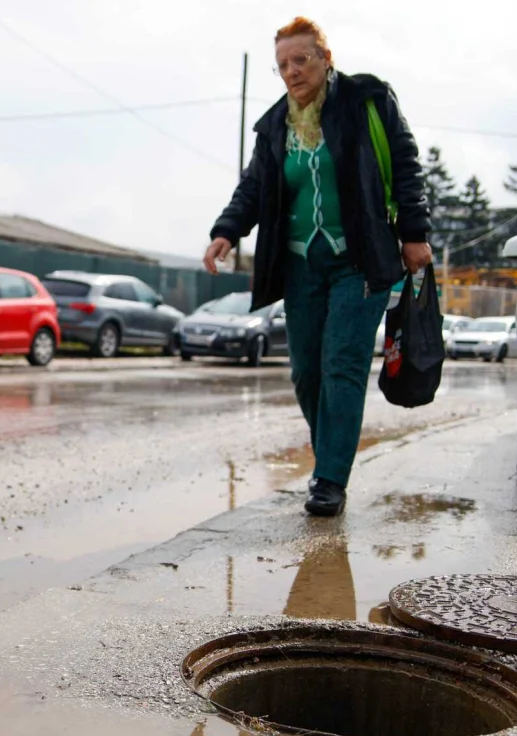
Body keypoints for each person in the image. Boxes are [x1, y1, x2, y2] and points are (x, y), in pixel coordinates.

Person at [204, 17, 431, 516]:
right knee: (307, 374)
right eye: (283, 64)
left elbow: (406, 162)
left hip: (360, 259)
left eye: (301, 60)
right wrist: (226, 231)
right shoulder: (274, 126)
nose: (292, 71)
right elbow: (254, 187)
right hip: (301, 264)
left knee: (342, 365)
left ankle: (329, 479)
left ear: (325, 59)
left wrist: (414, 233)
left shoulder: (367, 100)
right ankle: (330, 451)